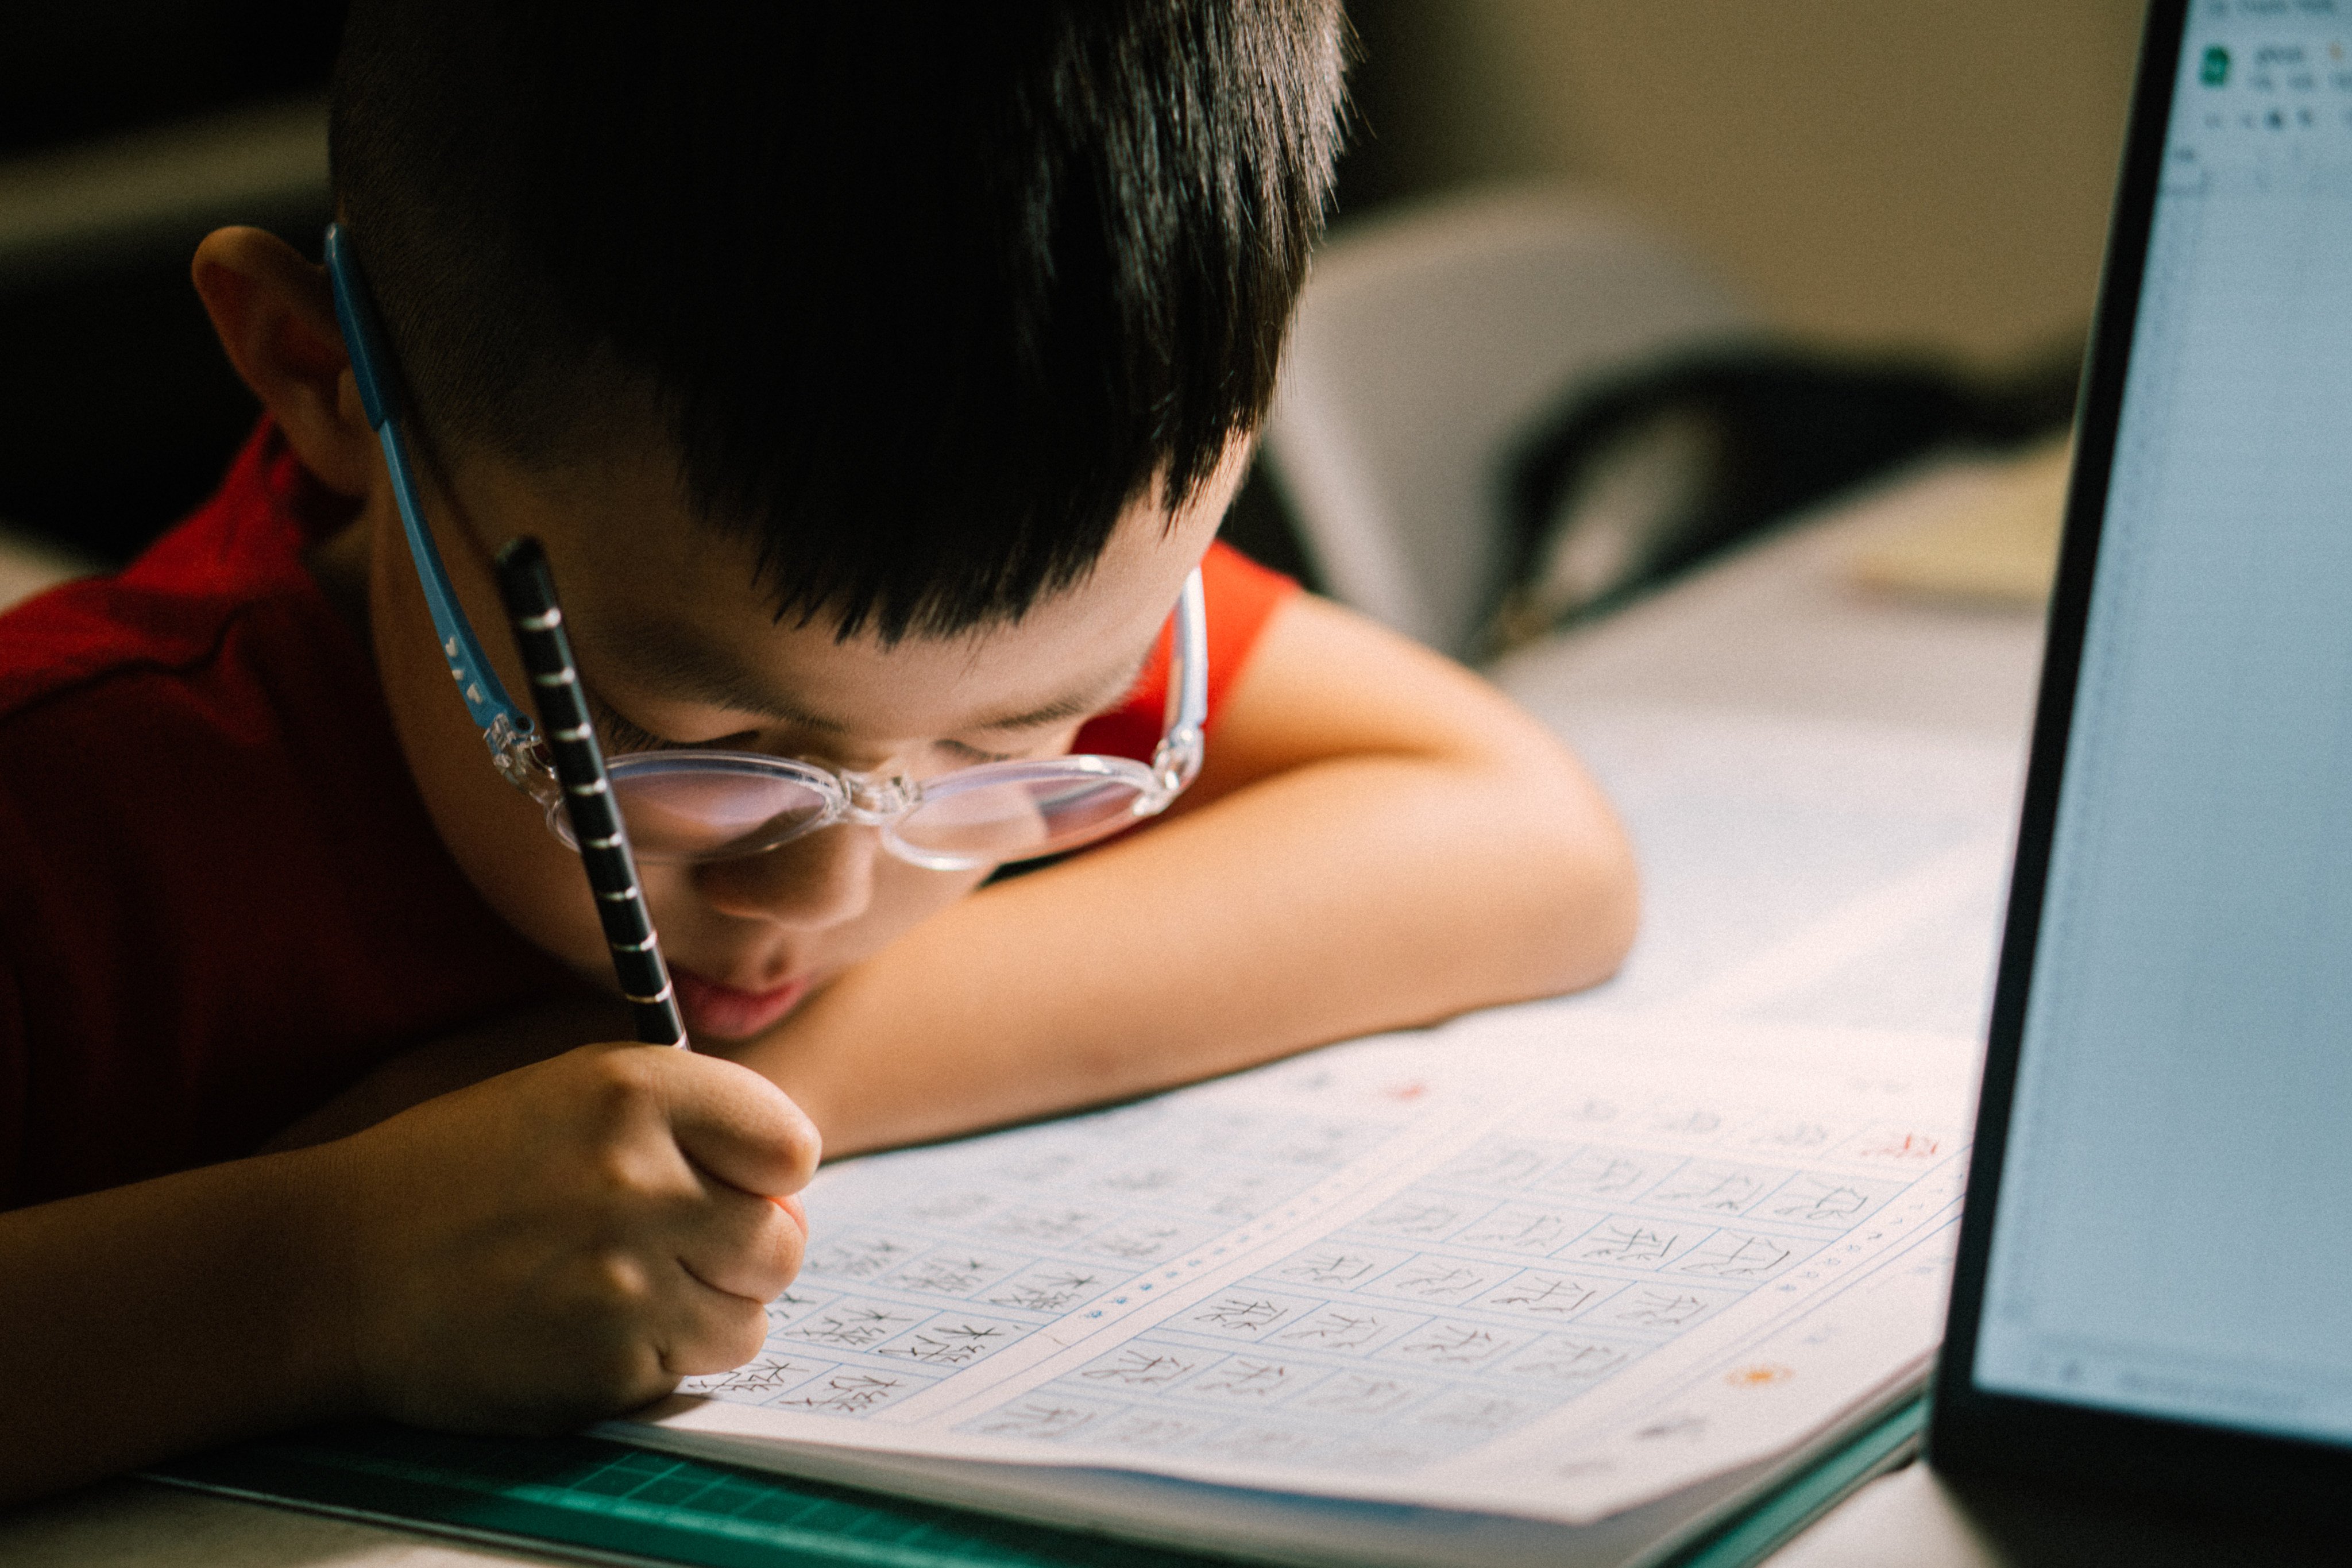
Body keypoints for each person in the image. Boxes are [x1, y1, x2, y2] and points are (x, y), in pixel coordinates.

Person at [0, 0, 1636, 1504]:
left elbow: (1530, 836)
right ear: (326, 375)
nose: (840, 880)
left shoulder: (1001, 561)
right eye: (699, 743)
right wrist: (323, 1271)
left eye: (1025, 742)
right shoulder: (68, 811)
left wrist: (770, 1089)